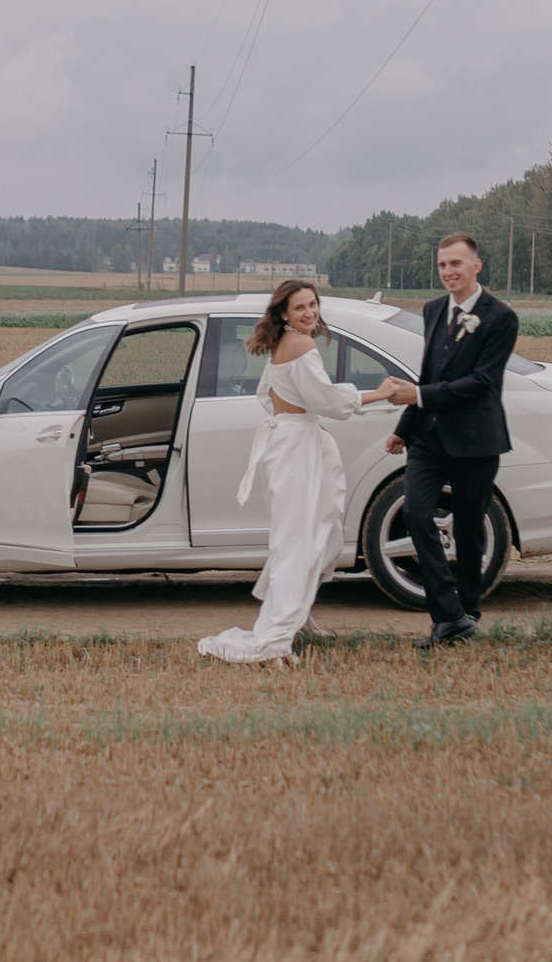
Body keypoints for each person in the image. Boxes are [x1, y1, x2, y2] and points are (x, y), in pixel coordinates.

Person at [197, 279, 396, 665]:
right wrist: (380, 392)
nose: (310, 313)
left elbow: (267, 397)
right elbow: (329, 402)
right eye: (300, 307)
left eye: (313, 305)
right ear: (285, 313)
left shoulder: (280, 346)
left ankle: (295, 614)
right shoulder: (302, 346)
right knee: (300, 541)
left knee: (312, 535)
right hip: (297, 449)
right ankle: (275, 635)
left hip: (288, 444)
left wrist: (294, 423)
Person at [380, 232, 517, 647]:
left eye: (456, 264)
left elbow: (480, 382)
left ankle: (466, 614)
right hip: (428, 438)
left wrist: (417, 396)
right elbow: (430, 373)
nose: (448, 272)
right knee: (418, 515)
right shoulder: (433, 309)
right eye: (442, 265)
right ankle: (449, 614)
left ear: (477, 266)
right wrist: (404, 426)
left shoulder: (501, 317)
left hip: (476, 439)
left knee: (471, 531)